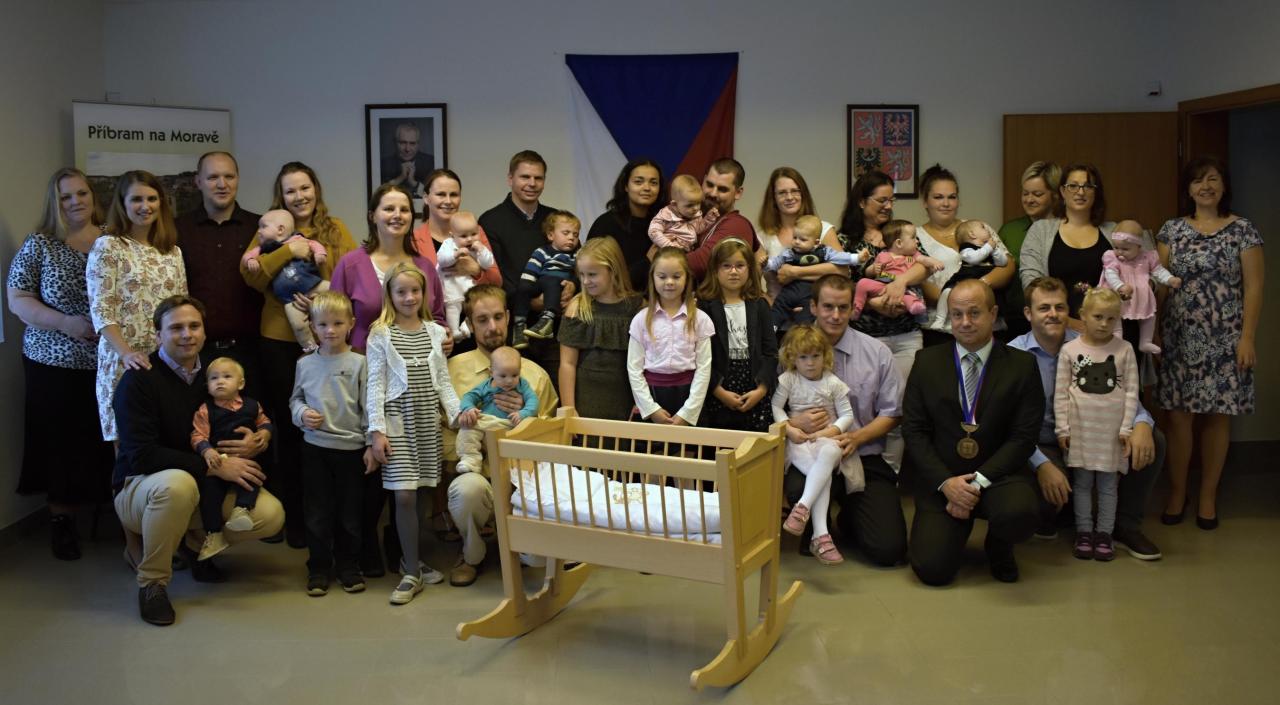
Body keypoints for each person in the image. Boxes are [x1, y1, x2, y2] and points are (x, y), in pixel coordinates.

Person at [113, 296, 283, 626]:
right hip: (140, 486)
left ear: (205, 332)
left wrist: (260, 437)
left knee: (269, 514)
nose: (187, 334)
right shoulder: (139, 380)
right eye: (176, 328)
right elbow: (141, 455)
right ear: (158, 335)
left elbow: (249, 411)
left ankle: (196, 546)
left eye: (194, 326)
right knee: (177, 485)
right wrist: (216, 465)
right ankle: (152, 584)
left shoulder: (215, 374)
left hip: (203, 483)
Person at [1010, 277, 1166, 561]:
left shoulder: (1094, 343)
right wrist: (1041, 464)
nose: (1053, 314)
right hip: (1043, 443)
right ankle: (1057, 515)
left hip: (1095, 433)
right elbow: (1006, 424)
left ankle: (1124, 526)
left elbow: (1122, 391)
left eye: (1059, 307)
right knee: (1037, 500)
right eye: (1044, 308)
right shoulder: (1013, 355)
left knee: (1153, 440)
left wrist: (1143, 423)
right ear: (1028, 313)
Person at [243, 161, 358, 548]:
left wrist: (321, 301)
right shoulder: (267, 228)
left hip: (328, 342)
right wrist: (287, 251)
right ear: (281, 195)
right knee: (291, 430)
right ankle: (295, 518)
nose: (299, 196)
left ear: (316, 190)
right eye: (290, 190)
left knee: (328, 426)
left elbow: (347, 277)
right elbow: (251, 276)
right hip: (279, 341)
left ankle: (333, 519)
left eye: (305, 188)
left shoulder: (335, 229)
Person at [902, 279, 1043, 585]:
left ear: (993, 314)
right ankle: (952, 528)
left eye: (974, 313)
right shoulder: (926, 362)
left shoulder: (1022, 366)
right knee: (932, 570)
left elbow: (1023, 437)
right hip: (944, 479)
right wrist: (945, 483)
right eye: (957, 314)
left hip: (998, 477)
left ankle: (999, 545)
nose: (965, 322)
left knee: (1020, 511)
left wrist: (977, 483)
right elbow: (914, 430)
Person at [7, 167, 114, 560]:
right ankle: (62, 521)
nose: (75, 202)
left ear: (92, 196)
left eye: (81, 193)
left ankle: (118, 515)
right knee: (60, 444)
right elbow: (17, 298)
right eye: (66, 196)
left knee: (105, 440)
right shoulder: (40, 243)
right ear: (55, 202)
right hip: (53, 362)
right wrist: (66, 323)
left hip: (107, 363)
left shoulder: (112, 240)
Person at [1156, 156, 1264, 530]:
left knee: (1218, 417)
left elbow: (1254, 287)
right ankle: (1177, 493)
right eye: (1198, 180)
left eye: (1213, 179)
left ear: (1224, 186)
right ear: (1188, 189)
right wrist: (1152, 332)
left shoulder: (1243, 230)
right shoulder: (1171, 230)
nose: (1206, 186)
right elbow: (1159, 283)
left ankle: (1207, 496)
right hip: (1179, 337)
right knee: (1178, 418)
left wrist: (1247, 338)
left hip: (1227, 339)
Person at [782, 275, 906, 566]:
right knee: (800, 490)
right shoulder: (791, 350)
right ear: (813, 306)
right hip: (811, 452)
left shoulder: (877, 353)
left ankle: (851, 516)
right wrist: (796, 422)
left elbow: (893, 413)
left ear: (853, 308)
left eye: (843, 307)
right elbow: (777, 409)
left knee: (888, 551)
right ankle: (817, 527)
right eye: (828, 306)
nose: (835, 316)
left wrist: (857, 437)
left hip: (862, 453)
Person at [443, 285, 559, 586]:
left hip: (524, 473)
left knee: (535, 559)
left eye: (497, 317)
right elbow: (442, 432)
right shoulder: (452, 371)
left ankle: (527, 547)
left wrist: (524, 420)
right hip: (476, 471)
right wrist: (477, 443)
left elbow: (554, 436)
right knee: (465, 492)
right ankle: (472, 553)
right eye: (482, 320)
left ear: (508, 317)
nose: (492, 327)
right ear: (470, 324)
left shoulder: (533, 375)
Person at [365, 264, 461, 605]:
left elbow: (443, 381)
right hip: (397, 422)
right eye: (401, 292)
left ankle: (412, 559)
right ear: (390, 295)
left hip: (426, 420)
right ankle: (411, 576)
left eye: (415, 291)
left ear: (425, 293)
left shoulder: (436, 332)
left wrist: (457, 412)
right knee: (403, 494)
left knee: (421, 491)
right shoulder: (380, 334)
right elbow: (375, 385)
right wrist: (376, 431)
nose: (409, 297)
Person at [836, 171, 930, 472]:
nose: (888, 206)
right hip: (864, 339)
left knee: (897, 410)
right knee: (861, 410)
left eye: (892, 200)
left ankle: (890, 477)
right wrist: (876, 302)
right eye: (881, 200)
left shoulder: (899, 231)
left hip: (905, 337)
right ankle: (860, 477)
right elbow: (842, 283)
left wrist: (899, 284)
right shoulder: (844, 240)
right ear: (862, 202)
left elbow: (924, 266)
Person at [87, 170, 188, 442]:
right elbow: (101, 310)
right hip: (125, 361)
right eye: (136, 199)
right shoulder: (109, 246)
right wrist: (127, 353)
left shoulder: (172, 251)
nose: (146, 206)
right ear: (122, 204)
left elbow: (181, 308)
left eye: (152, 199)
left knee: (170, 442)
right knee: (130, 450)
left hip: (166, 362)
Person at [289, 290, 372, 596]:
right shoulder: (304, 364)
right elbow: (295, 399)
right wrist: (302, 414)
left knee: (350, 513)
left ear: (351, 323)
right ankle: (319, 567)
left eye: (338, 323)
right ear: (312, 327)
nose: (330, 330)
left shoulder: (360, 363)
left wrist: (369, 444)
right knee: (317, 512)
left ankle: (348, 566)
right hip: (315, 449)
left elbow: (369, 407)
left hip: (351, 450)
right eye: (323, 324)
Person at [1053, 288, 1139, 561]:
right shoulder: (1070, 350)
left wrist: (1126, 428)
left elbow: (1131, 392)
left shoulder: (1124, 350)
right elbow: (1061, 393)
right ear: (1083, 315)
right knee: (1081, 484)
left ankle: (1104, 534)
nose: (1104, 324)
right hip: (1081, 432)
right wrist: (1062, 429)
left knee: (1108, 487)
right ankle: (1083, 532)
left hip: (1111, 435)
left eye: (1111, 318)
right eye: (1098, 317)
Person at [176, 151, 264, 395]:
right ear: (198, 182)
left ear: (238, 179)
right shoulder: (177, 230)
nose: (222, 184)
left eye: (229, 176)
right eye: (213, 177)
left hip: (253, 353)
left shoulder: (260, 228)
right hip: (196, 353)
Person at [479, 150, 571, 373]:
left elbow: (575, 261)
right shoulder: (490, 221)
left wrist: (572, 286)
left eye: (538, 178)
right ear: (510, 178)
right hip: (512, 328)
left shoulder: (556, 220)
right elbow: (493, 276)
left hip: (556, 327)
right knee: (517, 392)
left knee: (555, 389)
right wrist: (532, 302)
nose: (532, 183)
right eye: (525, 177)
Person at [330, 184, 447, 353]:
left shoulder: (425, 267)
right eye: (389, 209)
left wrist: (445, 338)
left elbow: (437, 318)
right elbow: (332, 318)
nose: (397, 215)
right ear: (372, 216)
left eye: (404, 210)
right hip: (364, 363)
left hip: (418, 364)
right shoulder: (349, 266)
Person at [774, 325, 856, 565]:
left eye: (815, 356)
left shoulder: (833, 383)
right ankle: (821, 535)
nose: (810, 363)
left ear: (825, 356)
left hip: (824, 440)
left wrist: (826, 432)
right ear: (792, 358)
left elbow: (847, 416)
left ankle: (802, 507)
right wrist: (789, 428)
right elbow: (776, 407)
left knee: (830, 452)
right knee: (821, 475)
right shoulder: (788, 380)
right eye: (803, 357)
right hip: (798, 442)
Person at [914, 165, 1017, 346]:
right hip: (941, 330)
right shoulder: (915, 237)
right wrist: (960, 303)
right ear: (925, 201)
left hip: (988, 327)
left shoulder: (978, 227)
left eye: (952, 197)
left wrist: (981, 286)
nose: (946, 203)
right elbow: (920, 283)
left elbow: (1008, 265)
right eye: (938, 197)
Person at [1018, 163, 1122, 328]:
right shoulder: (1040, 230)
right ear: (1062, 191)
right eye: (1073, 186)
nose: (1080, 192)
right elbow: (1032, 283)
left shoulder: (1115, 231)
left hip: (1108, 329)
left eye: (1088, 186)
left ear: (1096, 192)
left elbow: (1146, 268)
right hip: (1056, 327)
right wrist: (1072, 324)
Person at [191, 356, 273, 560]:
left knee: (251, 478)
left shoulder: (252, 405)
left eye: (227, 377)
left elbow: (264, 422)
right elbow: (197, 435)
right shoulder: (205, 410)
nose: (220, 381)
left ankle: (242, 510)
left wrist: (264, 434)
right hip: (219, 462)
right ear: (207, 385)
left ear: (241, 383)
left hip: (245, 460)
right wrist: (207, 451)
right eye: (214, 378)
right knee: (210, 495)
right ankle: (214, 534)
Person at [557, 236, 643, 421]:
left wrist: (642, 403)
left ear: (613, 270)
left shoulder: (638, 307)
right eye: (581, 274)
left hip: (627, 404)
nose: (585, 281)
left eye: (592, 274)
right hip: (585, 403)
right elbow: (567, 364)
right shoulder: (577, 308)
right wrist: (569, 408)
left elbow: (648, 364)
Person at [627, 248, 714, 426]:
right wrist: (651, 409)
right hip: (651, 396)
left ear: (687, 278)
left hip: (689, 397)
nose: (669, 282)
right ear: (652, 278)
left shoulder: (700, 319)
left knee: (688, 445)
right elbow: (634, 369)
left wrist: (688, 412)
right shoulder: (641, 320)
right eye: (662, 276)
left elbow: (704, 369)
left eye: (676, 276)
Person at [697, 237, 776, 432]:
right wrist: (718, 391)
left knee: (755, 444)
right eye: (726, 266)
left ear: (749, 269)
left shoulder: (760, 306)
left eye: (740, 265)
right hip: (718, 387)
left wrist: (761, 390)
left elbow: (770, 353)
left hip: (754, 385)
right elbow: (699, 356)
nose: (733, 271)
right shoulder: (705, 308)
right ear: (715, 270)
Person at [241, 209, 330, 352]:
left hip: (312, 284)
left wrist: (320, 253)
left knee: (335, 290)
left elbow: (314, 244)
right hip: (289, 299)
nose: (258, 231)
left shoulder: (297, 238)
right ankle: (311, 348)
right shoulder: (263, 247)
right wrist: (251, 260)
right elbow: (247, 258)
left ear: (280, 229)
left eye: (263, 227)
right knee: (298, 325)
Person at [756, 167, 845, 301]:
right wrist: (770, 306)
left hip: (816, 310)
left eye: (795, 191)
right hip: (777, 310)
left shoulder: (823, 229)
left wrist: (795, 272)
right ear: (773, 198)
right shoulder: (763, 237)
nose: (789, 197)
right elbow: (753, 285)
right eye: (782, 193)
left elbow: (843, 271)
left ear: (803, 194)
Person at [1097, 219, 1181, 355]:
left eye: (1125, 249)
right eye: (1116, 247)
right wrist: (1120, 286)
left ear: (1139, 246)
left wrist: (1170, 279)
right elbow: (1110, 274)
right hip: (1118, 295)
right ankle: (1116, 338)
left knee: (1149, 316)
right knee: (1114, 315)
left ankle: (1145, 342)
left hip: (1140, 295)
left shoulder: (1147, 257)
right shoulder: (1112, 257)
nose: (1119, 252)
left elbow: (1158, 271)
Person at [997, 161, 1061, 336]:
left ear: (1055, 195)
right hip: (1014, 321)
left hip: (1056, 319)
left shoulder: (1065, 229)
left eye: (1037, 194)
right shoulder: (1010, 230)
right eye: (1025, 193)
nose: (1029, 200)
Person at [765, 215, 862, 330]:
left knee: (807, 316)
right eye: (795, 237)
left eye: (803, 240)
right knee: (779, 305)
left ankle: (803, 332)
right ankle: (772, 328)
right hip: (790, 291)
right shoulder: (789, 253)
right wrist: (766, 264)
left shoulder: (824, 252)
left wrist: (856, 258)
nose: (797, 242)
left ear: (816, 243)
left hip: (810, 293)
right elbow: (775, 263)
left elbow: (840, 257)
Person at [410, 169, 502, 289]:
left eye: (454, 195)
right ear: (426, 198)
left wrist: (476, 271)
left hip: (471, 300)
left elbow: (497, 282)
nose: (448, 201)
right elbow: (412, 286)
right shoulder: (414, 239)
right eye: (441, 194)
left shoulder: (474, 232)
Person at [456, 346, 539, 473]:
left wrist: (523, 413)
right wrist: (469, 408)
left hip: (509, 424)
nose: (509, 381)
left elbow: (533, 400)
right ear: (491, 372)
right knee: (467, 429)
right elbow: (469, 396)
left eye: (514, 375)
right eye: (503, 375)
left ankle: (516, 468)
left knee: (525, 436)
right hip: (487, 422)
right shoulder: (486, 385)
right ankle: (471, 460)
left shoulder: (523, 385)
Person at [586, 157, 664, 293]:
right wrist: (647, 262)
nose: (647, 188)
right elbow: (594, 278)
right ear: (626, 186)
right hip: (615, 301)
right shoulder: (605, 224)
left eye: (653, 183)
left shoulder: (665, 225)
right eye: (638, 182)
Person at [513, 211, 580, 346]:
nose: (571, 238)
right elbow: (530, 271)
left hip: (560, 285)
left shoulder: (577, 255)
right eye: (566, 233)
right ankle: (519, 325)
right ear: (550, 235)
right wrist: (525, 287)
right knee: (522, 287)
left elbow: (579, 274)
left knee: (551, 280)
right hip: (541, 284)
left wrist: (573, 284)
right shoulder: (542, 252)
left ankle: (547, 320)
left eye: (575, 234)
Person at [853, 220, 942, 320]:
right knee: (862, 283)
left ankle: (915, 307)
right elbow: (868, 273)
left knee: (908, 298)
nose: (917, 241)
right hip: (882, 286)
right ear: (899, 243)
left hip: (903, 290)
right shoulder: (882, 255)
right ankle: (857, 308)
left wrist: (934, 262)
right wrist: (873, 269)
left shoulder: (913, 255)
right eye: (913, 238)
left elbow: (924, 260)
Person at [687, 158, 758, 280]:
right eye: (709, 185)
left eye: (722, 189)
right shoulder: (694, 217)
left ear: (738, 192)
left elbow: (699, 264)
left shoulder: (737, 225)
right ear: (703, 181)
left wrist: (659, 259)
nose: (713, 193)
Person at [436, 210, 495, 338]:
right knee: (453, 308)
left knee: (477, 307)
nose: (469, 239)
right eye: (463, 236)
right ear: (452, 236)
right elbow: (441, 260)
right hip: (452, 287)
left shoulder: (478, 247)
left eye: (474, 234)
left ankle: (466, 326)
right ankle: (454, 331)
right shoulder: (448, 244)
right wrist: (455, 255)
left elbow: (488, 264)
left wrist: (481, 251)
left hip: (470, 288)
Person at [648, 174, 719, 250]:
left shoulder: (694, 215)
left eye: (698, 203)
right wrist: (669, 246)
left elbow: (698, 229)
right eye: (690, 205)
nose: (696, 208)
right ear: (674, 205)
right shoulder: (666, 215)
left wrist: (709, 218)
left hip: (687, 251)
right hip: (668, 251)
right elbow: (653, 231)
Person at [380, 122, 435, 196]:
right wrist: (399, 178)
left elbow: (433, 196)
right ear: (395, 142)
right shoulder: (383, 164)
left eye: (412, 143)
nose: (407, 149)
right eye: (403, 143)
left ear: (418, 144)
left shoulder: (431, 162)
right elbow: (379, 196)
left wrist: (414, 183)